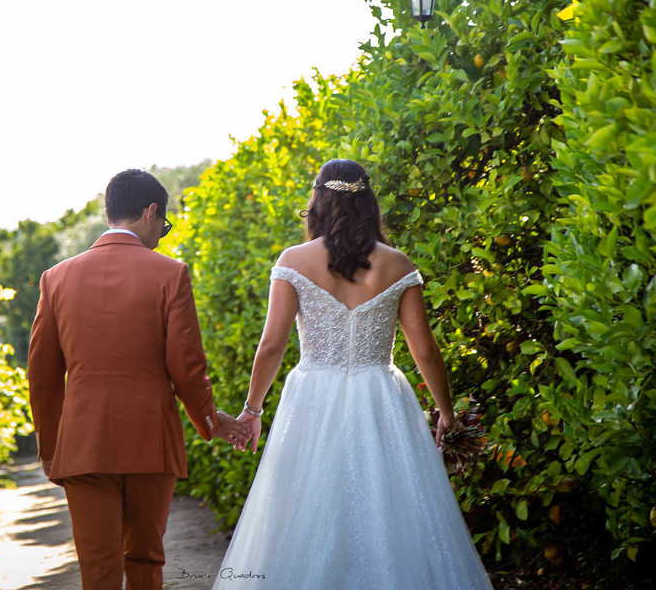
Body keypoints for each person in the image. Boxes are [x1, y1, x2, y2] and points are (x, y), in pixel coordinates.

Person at [214, 159, 494, 589]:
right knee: (387, 508)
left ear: (317, 201)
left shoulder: (294, 261)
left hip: (311, 398)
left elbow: (271, 346)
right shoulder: (398, 264)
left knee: (306, 508)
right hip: (381, 396)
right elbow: (424, 349)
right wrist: (446, 414)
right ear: (369, 202)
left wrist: (253, 409)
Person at [28, 168, 251, 590]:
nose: (161, 237)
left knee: (98, 568)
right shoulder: (171, 273)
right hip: (151, 440)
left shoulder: (54, 278)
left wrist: (52, 448)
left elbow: (42, 376)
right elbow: (188, 368)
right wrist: (209, 422)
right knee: (146, 560)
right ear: (151, 212)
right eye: (163, 226)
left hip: (83, 444)